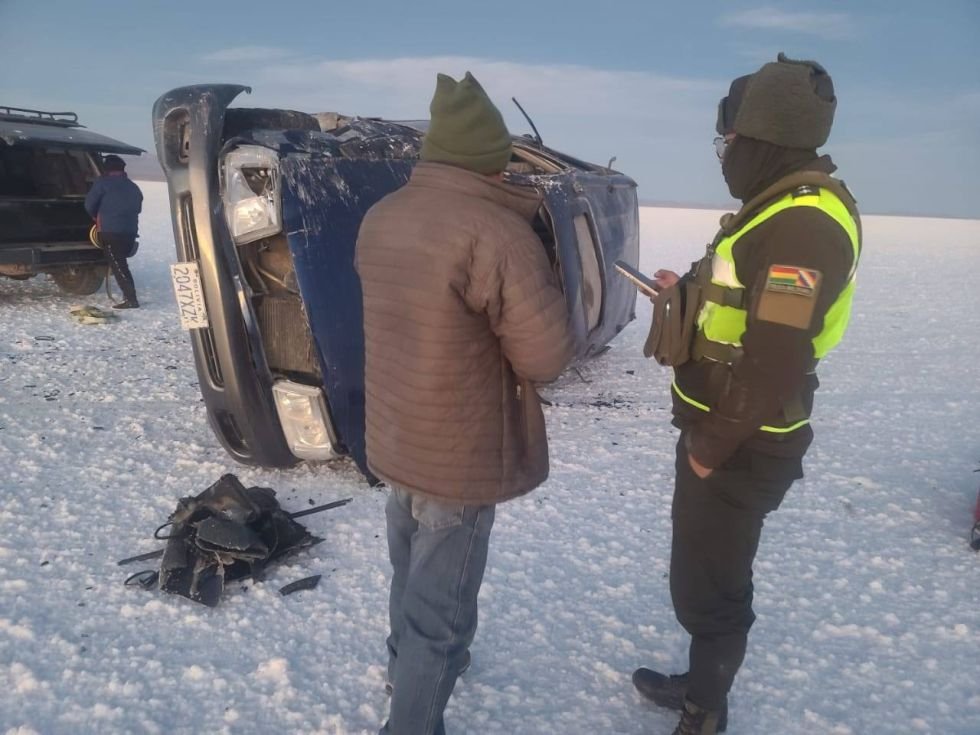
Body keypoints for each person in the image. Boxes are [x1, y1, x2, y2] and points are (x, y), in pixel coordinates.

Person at [632, 53, 862, 734]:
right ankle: (700, 681)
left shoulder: (801, 225)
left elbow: (777, 357)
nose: (724, 155)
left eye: (728, 142)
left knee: (715, 584)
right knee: (702, 574)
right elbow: (749, 312)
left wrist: (710, 445)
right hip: (728, 427)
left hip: (742, 440)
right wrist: (688, 295)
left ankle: (704, 713)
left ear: (762, 137)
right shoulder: (775, 208)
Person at [355, 72, 573, 735]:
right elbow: (546, 356)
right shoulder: (493, 232)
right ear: (486, 155)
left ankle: (404, 666)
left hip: (395, 434)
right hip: (458, 450)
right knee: (441, 609)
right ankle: (413, 719)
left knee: (409, 567)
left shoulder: (382, 214)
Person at [85, 153, 143, 308]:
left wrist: (96, 217)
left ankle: (131, 299)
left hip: (110, 232)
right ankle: (130, 297)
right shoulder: (132, 185)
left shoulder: (102, 183)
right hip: (130, 232)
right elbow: (138, 207)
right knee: (121, 262)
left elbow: (89, 204)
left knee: (118, 265)